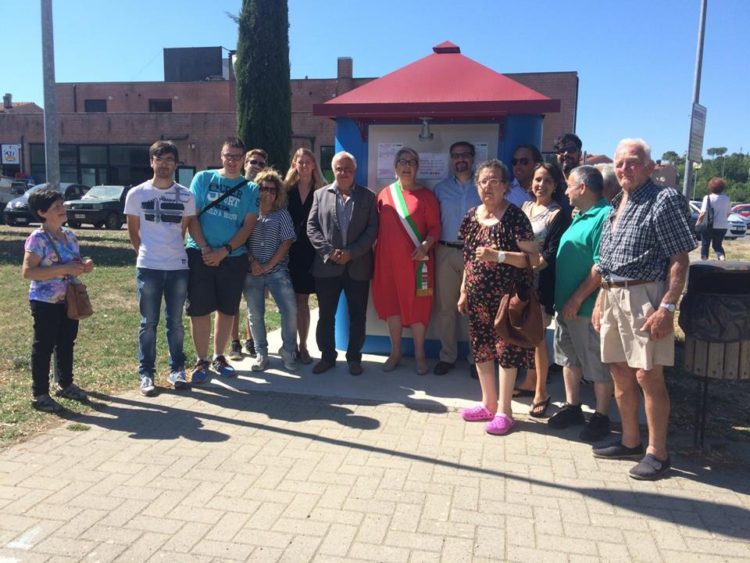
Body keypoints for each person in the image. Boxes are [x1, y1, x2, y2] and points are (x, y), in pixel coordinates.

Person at [592, 138, 695, 480]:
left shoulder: (662, 200)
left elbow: (680, 258)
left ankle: (658, 452)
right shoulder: (617, 202)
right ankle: (631, 439)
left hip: (645, 297)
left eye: (633, 162)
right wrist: (601, 300)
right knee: (619, 371)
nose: (625, 169)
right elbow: (607, 261)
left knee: (648, 375)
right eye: (620, 163)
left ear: (650, 167)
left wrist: (667, 306)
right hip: (612, 295)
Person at [458, 159, 538, 436]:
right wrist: (463, 290)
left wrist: (498, 256)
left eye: (494, 181)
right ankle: (488, 404)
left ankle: (505, 410)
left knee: (506, 352)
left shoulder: (515, 217)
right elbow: (468, 259)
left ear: (505, 186)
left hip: (507, 300)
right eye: (483, 181)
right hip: (478, 298)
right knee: (481, 349)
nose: (488, 186)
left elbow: (532, 258)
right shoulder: (471, 216)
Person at [125, 140, 196, 396]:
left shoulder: (187, 195)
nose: (164, 164)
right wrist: (145, 254)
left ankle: (177, 370)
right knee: (148, 323)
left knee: (175, 323)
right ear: (151, 162)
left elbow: (186, 229)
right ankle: (146, 374)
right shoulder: (137, 194)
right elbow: (134, 232)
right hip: (149, 267)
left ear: (176, 164)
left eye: (169, 160)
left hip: (178, 267)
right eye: (159, 159)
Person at [548, 165, 614, 441]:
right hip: (566, 307)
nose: (565, 191)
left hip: (585, 308)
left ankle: (600, 417)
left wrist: (577, 298)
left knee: (596, 365)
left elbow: (601, 265)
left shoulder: (605, 217)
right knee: (568, 358)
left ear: (583, 188)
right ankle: (573, 406)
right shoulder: (580, 215)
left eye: (569, 185)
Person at [185, 137, 259, 383]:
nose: (232, 161)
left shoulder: (250, 189)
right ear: (221, 155)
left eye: (238, 157)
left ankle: (219, 356)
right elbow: (192, 217)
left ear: (244, 159)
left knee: (227, 309)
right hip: (200, 254)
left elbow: (248, 226)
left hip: (232, 258)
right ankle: (201, 359)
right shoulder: (203, 179)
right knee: (199, 309)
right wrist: (206, 248)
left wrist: (224, 250)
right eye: (229, 155)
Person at [22, 187, 95, 412]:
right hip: (45, 301)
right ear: (42, 212)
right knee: (43, 346)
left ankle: (65, 384)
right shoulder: (37, 239)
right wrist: (62, 268)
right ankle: (40, 394)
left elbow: (73, 261)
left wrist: (84, 264)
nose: (63, 209)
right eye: (57, 207)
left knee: (66, 342)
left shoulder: (70, 234)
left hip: (69, 298)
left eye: (62, 205)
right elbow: (28, 272)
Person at [307, 151, 378, 376]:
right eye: (339, 168)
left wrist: (352, 253)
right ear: (333, 170)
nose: (343, 172)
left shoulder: (368, 197)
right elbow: (312, 228)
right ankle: (327, 357)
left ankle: (354, 358)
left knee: (358, 315)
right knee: (326, 314)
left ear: (354, 171)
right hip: (327, 267)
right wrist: (329, 252)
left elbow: (372, 230)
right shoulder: (320, 195)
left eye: (348, 168)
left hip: (358, 266)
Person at [373, 147, 441, 375]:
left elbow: (435, 228)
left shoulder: (426, 196)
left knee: (418, 307)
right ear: (395, 167)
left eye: (411, 162)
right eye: (402, 161)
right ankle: (396, 352)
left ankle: (420, 355)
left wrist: (425, 245)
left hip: (417, 263)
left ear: (417, 167)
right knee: (392, 306)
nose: (406, 165)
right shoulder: (384, 194)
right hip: (387, 263)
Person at [516, 162, 570, 417]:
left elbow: (550, 253)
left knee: (538, 337)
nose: (541, 184)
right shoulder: (525, 207)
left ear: (556, 185)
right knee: (524, 333)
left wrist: (525, 264)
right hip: (519, 279)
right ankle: (528, 381)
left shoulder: (558, 214)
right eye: (538, 179)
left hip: (540, 282)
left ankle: (541, 392)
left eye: (547, 180)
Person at [433, 141, 481, 378]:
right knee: (446, 308)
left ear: (473, 158)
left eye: (465, 155)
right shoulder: (440, 189)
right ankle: (448, 356)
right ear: (451, 159)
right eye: (455, 155)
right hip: (445, 252)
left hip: (475, 253)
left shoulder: (482, 188)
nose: (460, 159)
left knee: (474, 308)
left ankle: (476, 358)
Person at [243, 169, 298, 372]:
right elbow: (242, 240)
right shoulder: (249, 213)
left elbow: (286, 242)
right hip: (252, 272)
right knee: (255, 314)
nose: (267, 193)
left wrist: (268, 266)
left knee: (290, 311)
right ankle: (261, 354)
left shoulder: (281, 214)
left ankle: (288, 350)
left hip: (277, 271)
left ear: (278, 193)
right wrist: (253, 262)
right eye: (263, 188)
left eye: (272, 189)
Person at [285, 148, 327, 365]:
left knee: (314, 300)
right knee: (295, 301)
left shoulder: (323, 190)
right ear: (294, 164)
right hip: (290, 251)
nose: (303, 166)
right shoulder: (285, 190)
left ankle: (307, 345)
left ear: (313, 165)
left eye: (307, 162)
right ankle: (296, 345)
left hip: (315, 252)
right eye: (299, 162)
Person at [229, 148, 267, 361]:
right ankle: (234, 342)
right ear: (245, 163)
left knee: (255, 303)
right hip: (235, 253)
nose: (257, 166)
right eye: (253, 162)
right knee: (232, 300)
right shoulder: (235, 187)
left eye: (261, 163)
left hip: (257, 257)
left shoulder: (266, 192)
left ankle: (250, 340)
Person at [697, 177, 731, 261]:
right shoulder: (727, 199)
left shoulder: (708, 198)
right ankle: (722, 258)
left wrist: (698, 223)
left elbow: (703, 213)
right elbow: (728, 213)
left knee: (705, 244)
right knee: (717, 245)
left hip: (709, 225)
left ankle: (704, 261)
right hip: (722, 226)